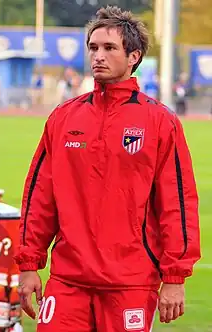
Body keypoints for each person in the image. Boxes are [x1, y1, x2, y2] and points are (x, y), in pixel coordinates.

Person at [15, 6, 201, 332]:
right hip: (68, 281)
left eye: (109, 48)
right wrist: (29, 264)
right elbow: (40, 196)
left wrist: (174, 277)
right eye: (93, 47)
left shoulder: (160, 123)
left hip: (130, 283)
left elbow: (178, 204)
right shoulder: (63, 119)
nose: (98, 56)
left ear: (134, 56)